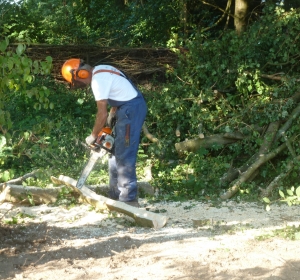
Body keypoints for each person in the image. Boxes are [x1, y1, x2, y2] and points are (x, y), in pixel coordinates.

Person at [61, 58, 147, 207]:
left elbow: (101, 113)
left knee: (124, 154)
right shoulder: (101, 69)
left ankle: (129, 201)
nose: (79, 85)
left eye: (76, 81)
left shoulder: (97, 81)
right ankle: (115, 196)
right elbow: (118, 91)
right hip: (124, 107)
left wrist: (93, 136)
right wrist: (110, 121)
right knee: (114, 153)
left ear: (81, 74)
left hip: (131, 109)